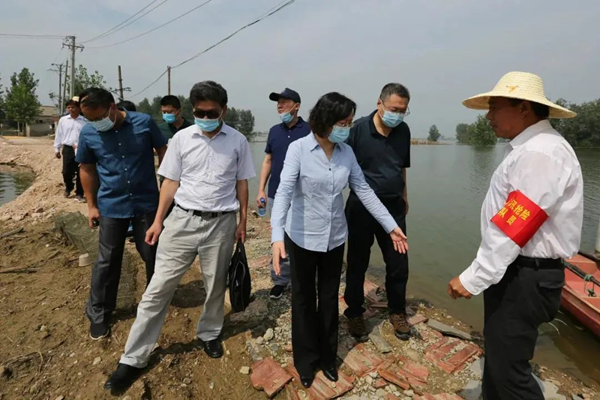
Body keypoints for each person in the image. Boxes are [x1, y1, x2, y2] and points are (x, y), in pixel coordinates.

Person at [104, 81, 255, 393]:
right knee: (158, 289)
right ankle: (133, 357)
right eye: (200, 112)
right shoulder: (181, 139)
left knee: (216, 285)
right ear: (193, 110)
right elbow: (170, 182)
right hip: (182, 221)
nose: (205, 117)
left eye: (211, 112)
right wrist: (158, 221)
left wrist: (242, 221)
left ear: (223, 111)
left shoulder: (238, 141)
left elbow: (242, 183)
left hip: (221, 224)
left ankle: (209, 333)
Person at [447, 72, 583, 400]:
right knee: (497, 358)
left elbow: (515, 224)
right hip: (515, 272)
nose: (488, 116)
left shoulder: (541, 153)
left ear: (523, 108)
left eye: (495, 107)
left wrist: (473, 277)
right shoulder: (531, 148)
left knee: (511, 375)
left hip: (525, 277)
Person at [271, 92, 408, 388]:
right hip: (302, 236)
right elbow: (283, 192)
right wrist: (276, 236)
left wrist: (390, 225)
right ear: (325, 120)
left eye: (349, 122)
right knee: (304, 299)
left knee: (330, 297)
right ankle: (306, 361)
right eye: (342, 122)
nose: (347, 128)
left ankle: (328, 358)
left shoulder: (346, 153)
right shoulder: (298, 149)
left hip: (334, 237)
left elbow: (364, 190)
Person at [76, 88, 168, 340]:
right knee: (107, 259)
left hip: (146, 202)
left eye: (99, 117)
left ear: (112, 107)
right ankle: (99, 312)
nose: (96, 123)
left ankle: (154, 302)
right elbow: (87, 169)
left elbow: (163, 150)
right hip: (111, 204)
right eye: (90, 120)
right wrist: (91, 206)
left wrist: (166, 184)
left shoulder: (144, 123)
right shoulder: (88, 133)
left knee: (152, 253)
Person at [343, 83, 412, 341]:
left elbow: (401, 167)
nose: (398, 115)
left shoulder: (403, 131)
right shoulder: (357, 130)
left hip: (393, 207)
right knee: (357, 262)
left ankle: (397, 311)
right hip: (361, 208)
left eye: (403, 110)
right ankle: (354, 312)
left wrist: (404, 196)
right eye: (394, 109)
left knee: (398, 263)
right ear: (379, 104)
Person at [257, 88, 310, 299]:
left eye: (284, 102)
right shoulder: (274, 131)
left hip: (303, 195)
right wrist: (261, 189)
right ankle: (280, 280)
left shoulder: (310, 130)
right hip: (276, 194)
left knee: (303, 236)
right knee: (279, 236)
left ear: (297, 106)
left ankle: (303, 278)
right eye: (278, 102)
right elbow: (268, 161)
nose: (280, 106)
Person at [54, 99, 86, 202]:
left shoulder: (85, 121)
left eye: (73, 107)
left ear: (79, 108)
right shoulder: (63, 120)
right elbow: (59, 134)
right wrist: (57, 148)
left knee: (81, 171)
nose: (71, 109)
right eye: (69, 107)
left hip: (81, 149)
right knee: (66, 171)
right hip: (68, 148)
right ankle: (69, 187)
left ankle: (79, 193)